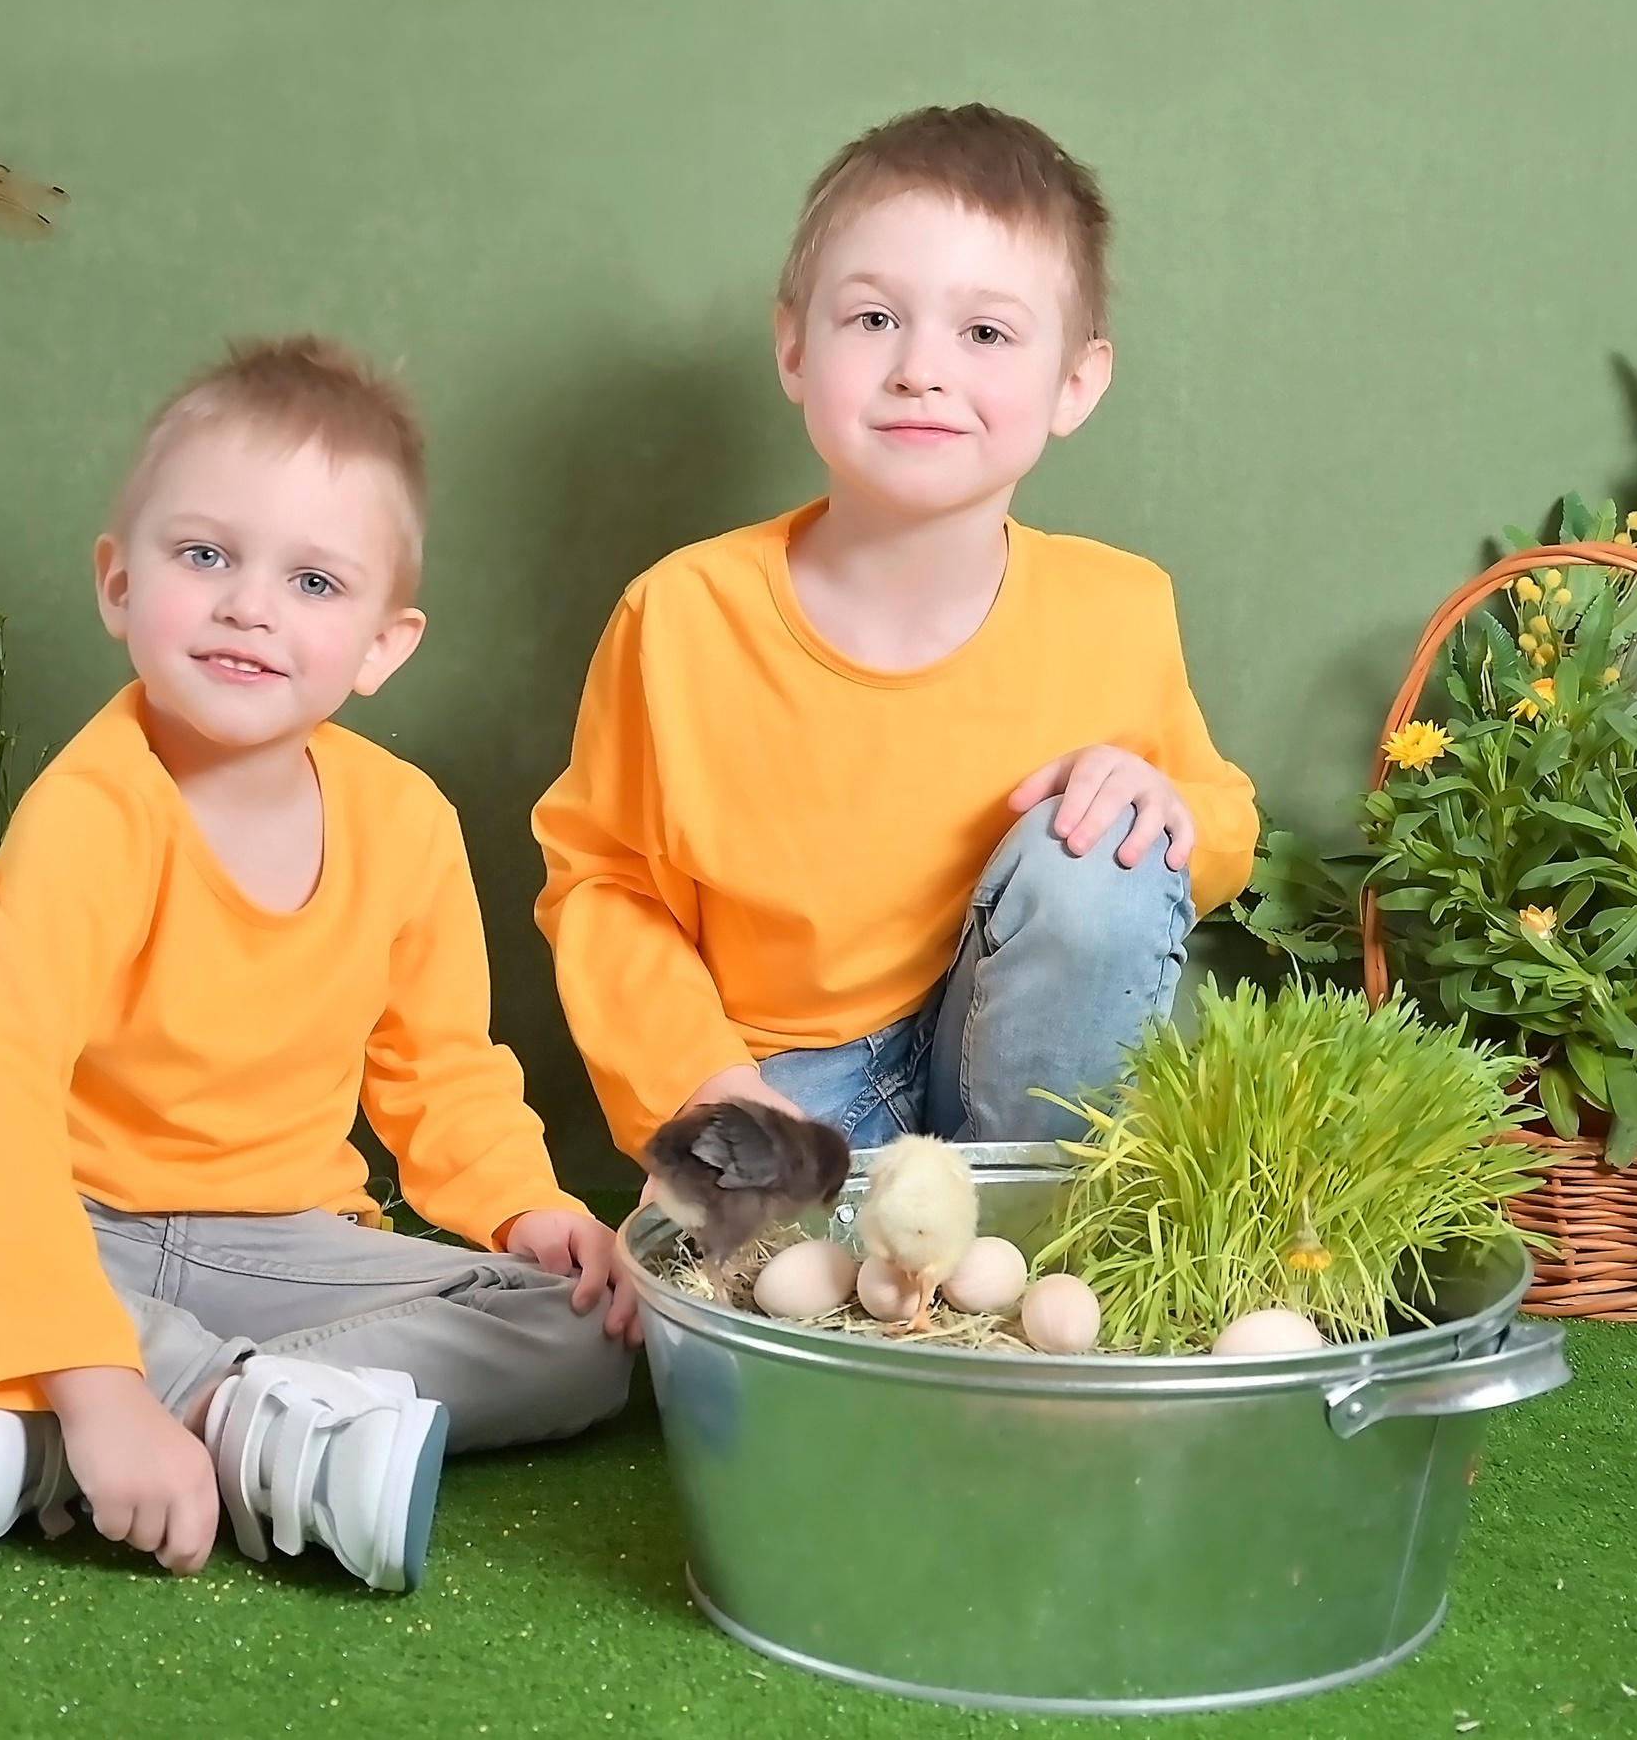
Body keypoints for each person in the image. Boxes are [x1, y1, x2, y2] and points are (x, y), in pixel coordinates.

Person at [0, 337, 637, 1595]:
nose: (249, 605)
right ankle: (200, 1409)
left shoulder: (406, 820)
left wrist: (528, 1207)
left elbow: (438, 1068)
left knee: (584, 1331)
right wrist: (108, 1381)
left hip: (283, 1250)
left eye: (315, 581)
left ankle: (94, 1426)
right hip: (69, 1220)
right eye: (204, 554)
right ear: (118, 582)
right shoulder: (94, 811)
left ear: (384, 643)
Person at [535, 104, 1257, 1161]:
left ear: (1074, 383)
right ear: (793, 345)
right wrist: (710, 1089)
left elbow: (1222, 823)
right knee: (740, 1309)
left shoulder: (1118, 606)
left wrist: (1166, 804)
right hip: (791, 1085)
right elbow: (605, 886)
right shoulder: (682, 615)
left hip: (1027, 1083)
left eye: (985, 332)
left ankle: (1038, 1218)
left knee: (1102, 849)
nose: (921, 367)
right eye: (874, 319)